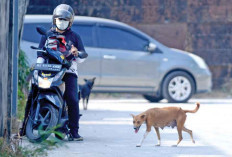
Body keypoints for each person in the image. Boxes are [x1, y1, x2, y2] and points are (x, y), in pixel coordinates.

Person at [20, 4, 88, 141]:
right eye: (59, 19)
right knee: (32, 94)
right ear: (54, 20)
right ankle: (23, 129)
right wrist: (37, 67)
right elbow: (40, 53)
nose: (61, 22)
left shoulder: (74, 37)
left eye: (65, 20)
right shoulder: (48, 34)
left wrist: (77, 53)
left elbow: (82, 55)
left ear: (70, 22)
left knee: (72, 98)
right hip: (47, 69)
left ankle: (74, 131)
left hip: (68, 71)